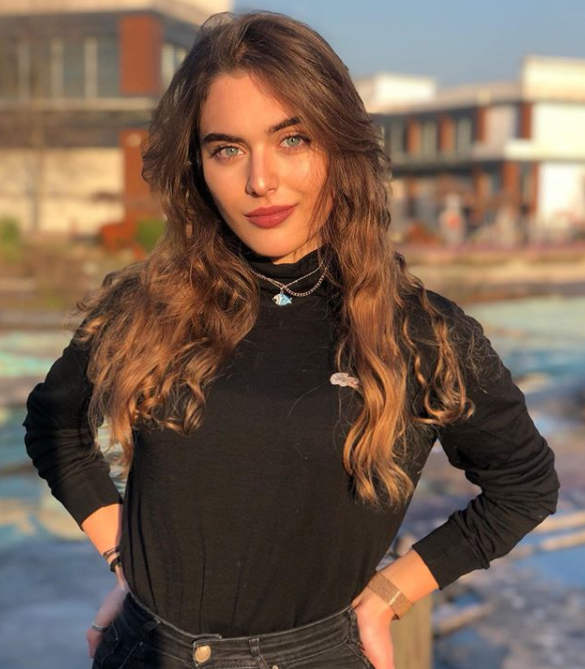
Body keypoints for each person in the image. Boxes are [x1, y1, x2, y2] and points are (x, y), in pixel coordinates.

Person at [22, 11, 559, 669]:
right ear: (197, 165)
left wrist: (388, 594)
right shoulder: (147, 305)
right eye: (227, 149)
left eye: (292, 139)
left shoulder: (421, 334)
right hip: (144, 649)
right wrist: (124, 557)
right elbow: (53, 426)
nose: (260, 181)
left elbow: (524, 485)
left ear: (339, 145)